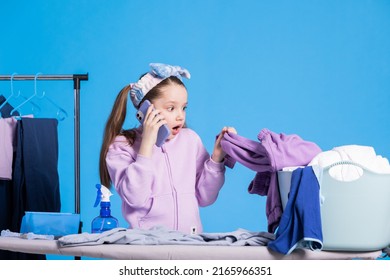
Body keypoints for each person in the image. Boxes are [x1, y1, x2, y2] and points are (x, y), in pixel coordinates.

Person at [99, 63, 236, 234]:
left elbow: (205, 198)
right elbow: (135, 198)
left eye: (183, 107)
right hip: (147, 246)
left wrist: (217, 158)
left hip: (190, 244)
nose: (180, 115)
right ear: (145, 109)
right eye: (171, 108)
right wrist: (147, 145)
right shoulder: (122, 146)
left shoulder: (190, 140)